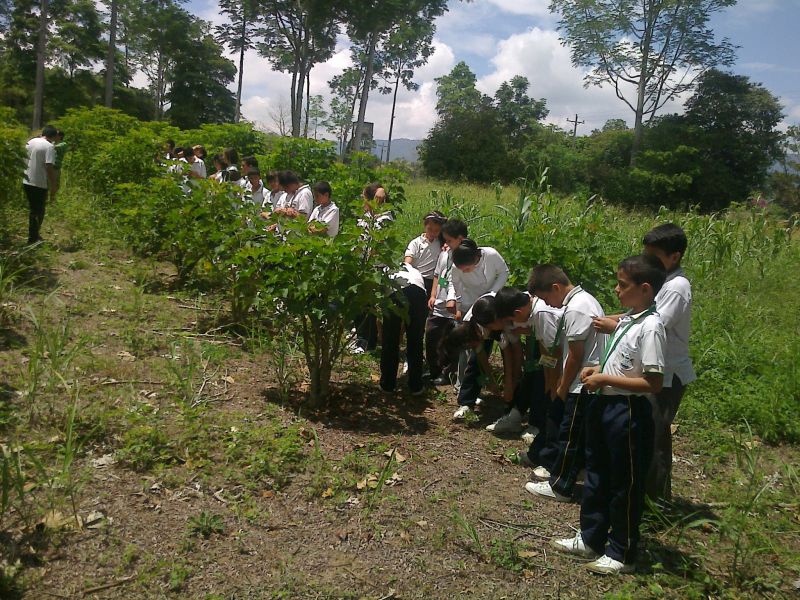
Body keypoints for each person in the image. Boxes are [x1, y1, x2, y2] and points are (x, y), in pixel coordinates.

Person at [551, 254, 666, 575]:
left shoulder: (651, 327)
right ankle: (591, 537)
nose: (616, 290)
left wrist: (605, 379)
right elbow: (623, 362)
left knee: (624, 482)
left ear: (645, 289)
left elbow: (653, 382)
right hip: (604, 404)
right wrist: (598, 371)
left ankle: (621, 550)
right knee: (597, 472)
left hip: (627, 410)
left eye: (622, 285)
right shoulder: (629, 319)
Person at [593, 224, 695, 501]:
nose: (647, 260)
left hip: (665, 372)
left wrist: (614, 325)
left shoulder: (676, 287)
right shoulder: (659, 281)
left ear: (674, 256)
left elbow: (653, 322)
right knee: (644, 436)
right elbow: (635, 315)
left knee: (655, 437)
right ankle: (636, 493)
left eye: (653, 256)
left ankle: (655, 500)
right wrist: (613, 319)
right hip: (647, 368)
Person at [525, 265, 606, 502]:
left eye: (546, 298)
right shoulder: (582, 301)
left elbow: (576, 355)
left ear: (556, 288)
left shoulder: (577, 308)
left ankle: (560, 486)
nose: (548, 304)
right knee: (577, 434)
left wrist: (562, 386)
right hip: (584, 380)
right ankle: (573, 472)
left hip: (581, 383)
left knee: (569, 435)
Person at [486, 287, 564, 449]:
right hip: (546, 352)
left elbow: (553, 351)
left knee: (543, 383)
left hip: (561, 356)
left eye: (510, 320)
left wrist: (550, 379)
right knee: (533, 375)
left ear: (517, 312)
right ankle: (516, 416)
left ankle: (537, 425)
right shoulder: (531, 310)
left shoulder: (541, 313)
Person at [447, 240, 510, 420]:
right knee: (474, 361)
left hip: (496, 305)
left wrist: (492, 293)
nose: (465, 272)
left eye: (467, 269)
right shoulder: (456, 268)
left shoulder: (491, 255)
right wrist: (457, 304)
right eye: (463, 270)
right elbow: (455, 286)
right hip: (474, 306)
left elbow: (504, 273)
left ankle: (511, 402)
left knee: (510, 357)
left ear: (476, 258)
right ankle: (466, 401)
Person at [426, 219, 468, 385]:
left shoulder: (467, 256)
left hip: (454, 308)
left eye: (449, 240)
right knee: (432, 336)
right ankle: (433, 370)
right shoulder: (444, 253)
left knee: (452, 342)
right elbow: (437, 275)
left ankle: (448, 373)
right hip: (439, 304)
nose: (447, 243)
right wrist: (433, 295)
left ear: (461, 239)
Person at [353, 183, 393, 353]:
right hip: (361, 265)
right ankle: (361, 339)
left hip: (375, 267)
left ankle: (367, 343)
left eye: (364, 197)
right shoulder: (365, 217)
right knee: (360, 305)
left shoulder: (384, 218)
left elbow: (379, 243)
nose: (362, 201)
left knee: (369, 305)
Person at [380, 264, 429, 396]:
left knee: (390, 339)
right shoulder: (414, 270)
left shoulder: (385, 271)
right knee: (415, 340)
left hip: (395, 294)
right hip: (419, 294)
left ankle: (387, 384)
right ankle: (416, 385)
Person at [23, 125, 58, 245]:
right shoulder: (49, 146)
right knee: (38, 211)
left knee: (34, 209)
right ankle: (32, 239)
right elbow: (49, 166)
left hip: (26, 180)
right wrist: (53, 183)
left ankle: (34, 235)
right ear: (53, 136)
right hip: (38, 182)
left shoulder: (31, 141)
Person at [404, 211, 447, 297]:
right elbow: (408, 261)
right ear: (425, 226)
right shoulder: (416, 243)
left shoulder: (442, 243)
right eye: (430, 229)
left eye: (436, 230)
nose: (432, 233)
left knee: (445, 289)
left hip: (437, 279)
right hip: (419, 279)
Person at [52, 129, 67, 200]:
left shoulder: (63, 144)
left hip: (56, 167)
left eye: (56, 134)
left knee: (54, 183)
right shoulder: (52, 143)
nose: (54, 136)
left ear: (60, 136)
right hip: (48, 166)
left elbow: (55, 147)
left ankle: (52, 199)